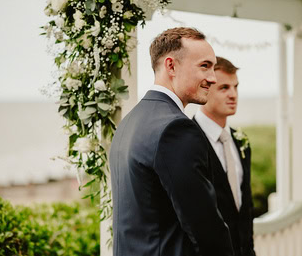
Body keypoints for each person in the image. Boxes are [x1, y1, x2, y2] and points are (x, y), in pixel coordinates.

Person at [109, 28, 234, 256]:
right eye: (204, 66)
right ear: (171, 66)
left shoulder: (128, 123)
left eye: (214, 68)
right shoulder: (176, 129)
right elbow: (205, 227)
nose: (213, 78)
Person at [193, 56, 256, 256]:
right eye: (224, 88)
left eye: (235, 87)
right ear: (205, 88)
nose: (233, 94)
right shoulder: (187, 140)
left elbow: (246, 209)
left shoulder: (240, 141)